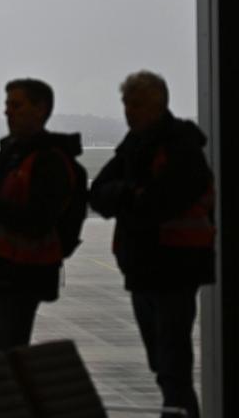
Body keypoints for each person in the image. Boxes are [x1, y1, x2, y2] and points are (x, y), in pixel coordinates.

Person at [90, 71, 215, 418]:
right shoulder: (135, 145)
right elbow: (98, 194)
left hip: (175, 269)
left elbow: (159, 203)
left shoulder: (181, 147)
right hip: (142, 268)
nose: (129, 112)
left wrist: (125, 196)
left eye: (137, 104)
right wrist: (131, 194)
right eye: (126, 104)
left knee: (173, 367)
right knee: (163, 366)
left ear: (159, 104)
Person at [0, 78, 80, 352]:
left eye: (16, 105)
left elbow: (37, 221)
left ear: (41, 109)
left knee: (7, 361)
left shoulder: (48, 160)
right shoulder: (13, 155)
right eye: (6, 105)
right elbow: (6, 205)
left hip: (22, 276)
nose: (7, 112)